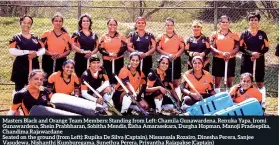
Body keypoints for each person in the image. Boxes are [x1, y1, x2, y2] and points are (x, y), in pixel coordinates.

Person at [239, 12, 269, 108]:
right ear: (248, 21)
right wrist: (251, 54)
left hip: (259, 60)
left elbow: (267, 47)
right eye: (251, 20)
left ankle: (262, 103)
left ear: (258, 21)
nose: (253, 22)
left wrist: (258, 54)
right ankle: (244, 101)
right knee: (246, 81)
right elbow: (240, 48)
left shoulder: (262, 34)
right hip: (247, 60)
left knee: (259, 81)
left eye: (255, 20)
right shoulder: (244, 34)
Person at [9, 15, 45, 91]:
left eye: (29, 23)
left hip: (34, 65)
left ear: (31, 25)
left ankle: (33, 102)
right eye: (24, 22)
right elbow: (12, 50)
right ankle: (18, 102)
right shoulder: (16, 37)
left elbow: (43, 49)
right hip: (20, 65)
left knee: (34, 86)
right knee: (19, 88)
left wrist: (36, 54)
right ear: (20, 23)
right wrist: (28, 52)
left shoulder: (35, 37)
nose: (26, 25)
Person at [156, 18, 185, 98]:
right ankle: (165, 98)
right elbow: (158, 48)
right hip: (165, 62)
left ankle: (178, 100)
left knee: (175, 83)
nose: (170, 27)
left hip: (176, 60)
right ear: (165, 26)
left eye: (171, 25)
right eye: (168, 25)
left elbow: (182, 48)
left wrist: (176, 54)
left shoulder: (179, 37)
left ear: (174, 26)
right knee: (166, 81)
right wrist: (167, 55)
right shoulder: (161, 37)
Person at [210, 15, 239, 93]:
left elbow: (237, 47)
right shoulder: (215, 34)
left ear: (229, 23)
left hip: (230, 59)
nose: (225, 23)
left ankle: (230, 96)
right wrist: (221, 53)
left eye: (227, 22)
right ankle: (217, 98)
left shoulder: (234, 35)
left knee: (229, 81)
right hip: (218, 59)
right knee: (217, 82)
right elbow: (211, 47)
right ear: (220, 23)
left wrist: (229, 54)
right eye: (223, 22)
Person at [41, 12, 72, 79]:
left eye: (60, 21)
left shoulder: (66, 36)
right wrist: (51, 53)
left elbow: (69, 50)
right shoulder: (46, 34)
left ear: (62, 23)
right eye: (56, 21)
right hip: (48, 59)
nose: (58, 23)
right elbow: (41, 48)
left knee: (59, 79)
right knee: (47, 79)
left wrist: (60, 55)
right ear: (52, 22)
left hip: (61, 60)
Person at [99, 18, 127, 86]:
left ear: (117, 26)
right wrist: (109, 54)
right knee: (108, 78)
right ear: (107, 25)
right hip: (107, 61)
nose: (112, 26)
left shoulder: (121, 36)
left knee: (118, 78)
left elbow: (124, 47)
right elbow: (101, 49)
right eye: (110, 24)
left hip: (118, 60)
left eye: (114, 25)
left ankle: (117, 93)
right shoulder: (103, 37)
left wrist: (116, 55)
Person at [71, 14, 99, 78]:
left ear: (90, 22)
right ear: (81, 23)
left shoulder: (94, 35)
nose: (86, 22)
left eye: (87, 21)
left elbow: (97, 47)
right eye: (84, 21)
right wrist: (83, 51)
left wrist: (91, 53)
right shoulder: (76, 33)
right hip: (79, 59)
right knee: (80, 77)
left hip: (91, 59)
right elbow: (73, 46)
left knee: (90, 78)